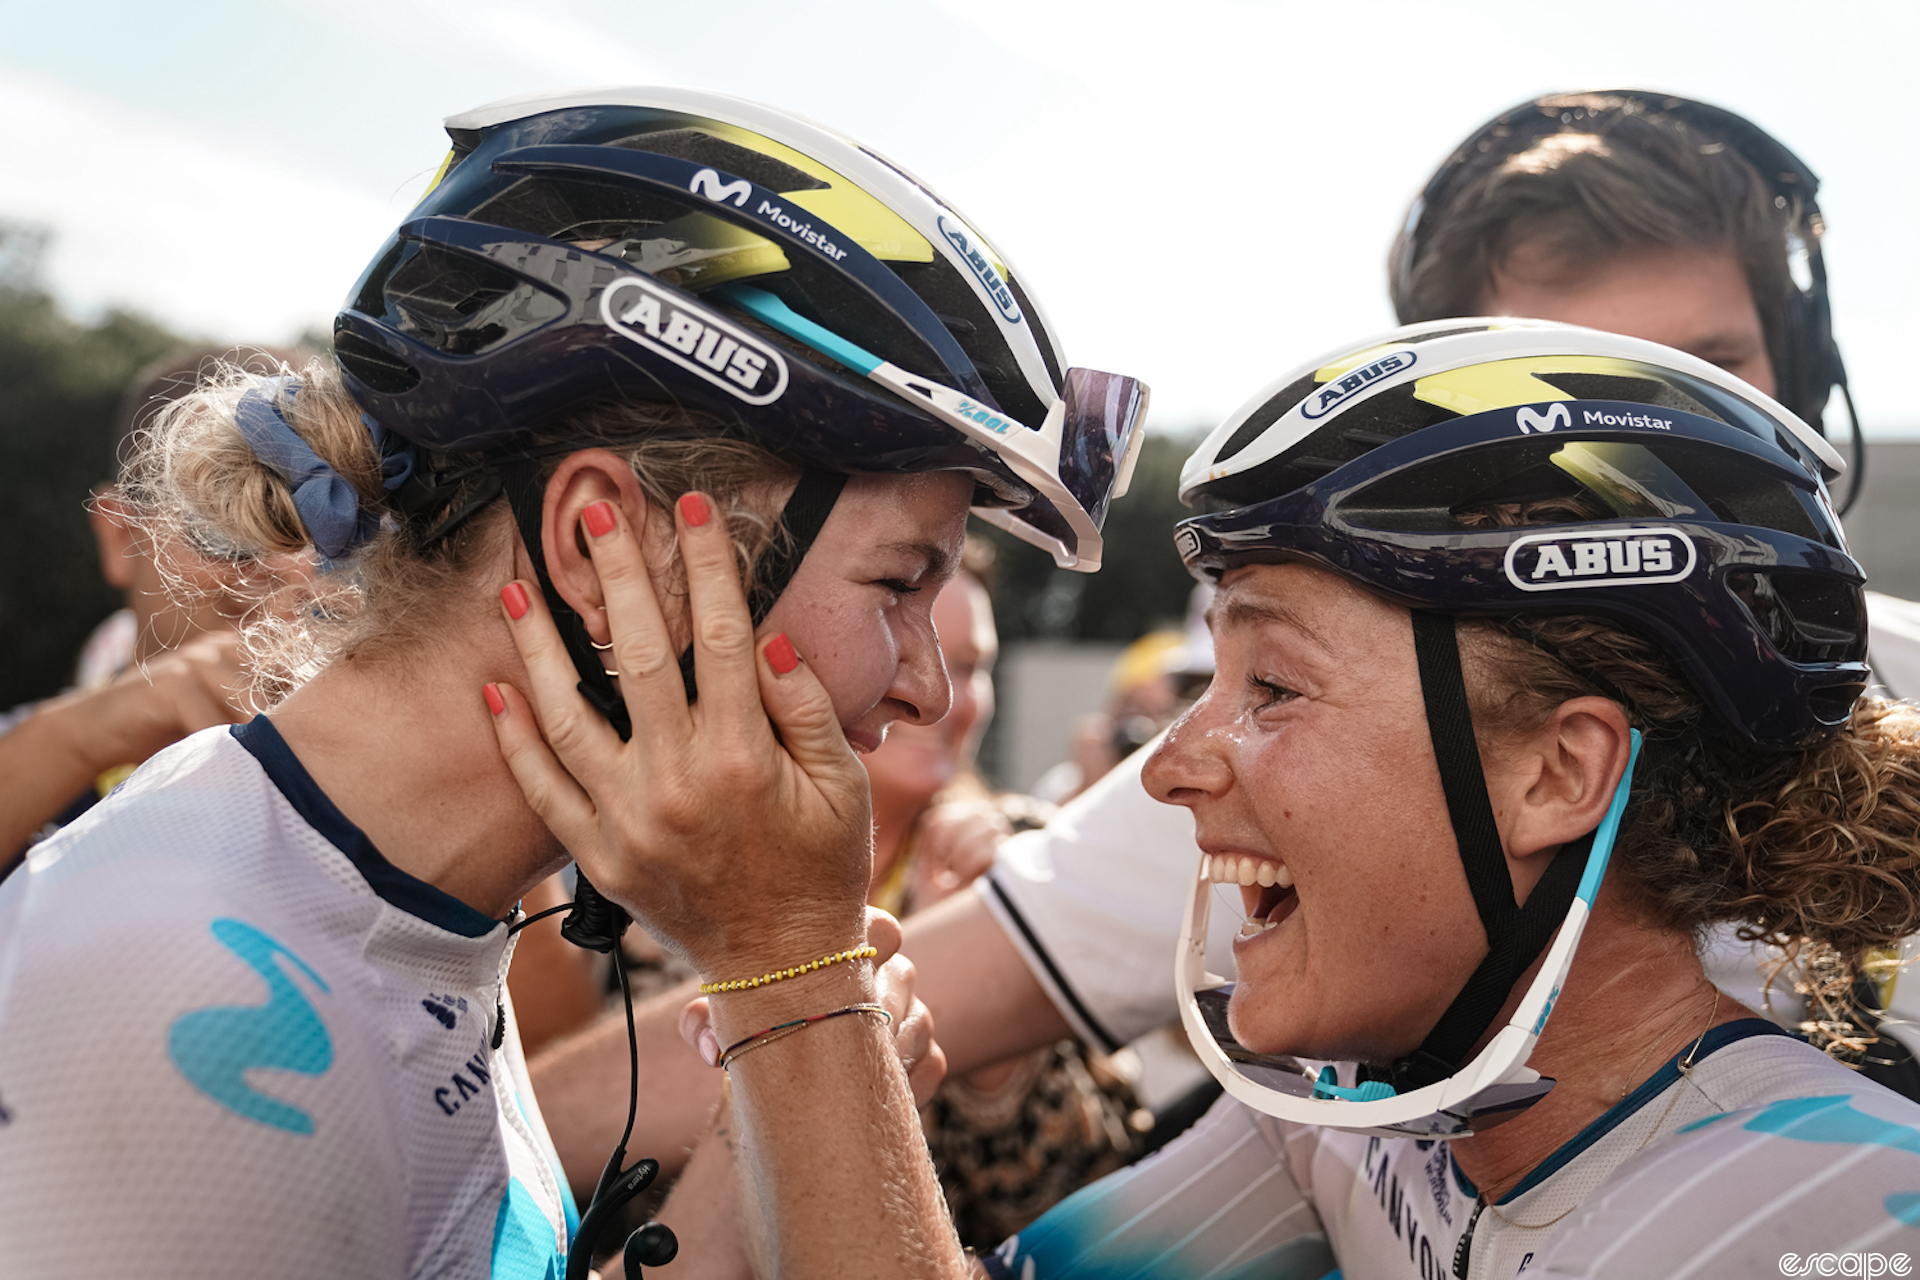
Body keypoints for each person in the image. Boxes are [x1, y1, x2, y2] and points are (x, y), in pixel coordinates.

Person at [0, 86, 1145, 1279]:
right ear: (607, 540)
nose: (923, 688)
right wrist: (799, 987)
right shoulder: (178, 976)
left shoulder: (393, 901)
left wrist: (775, 1141)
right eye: (899, 584)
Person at [985, 319, 1920, 1279]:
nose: (1169, 766)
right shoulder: (1365, 1110)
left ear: (1559, 775)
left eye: (1272, 688)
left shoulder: (1832, 1212)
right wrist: (819, 952)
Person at [0, 345, 304, 869]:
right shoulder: (32, 749)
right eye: (231, 522)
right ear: (121, 537)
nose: (297, 569)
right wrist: (68, 743)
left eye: (353, 533)